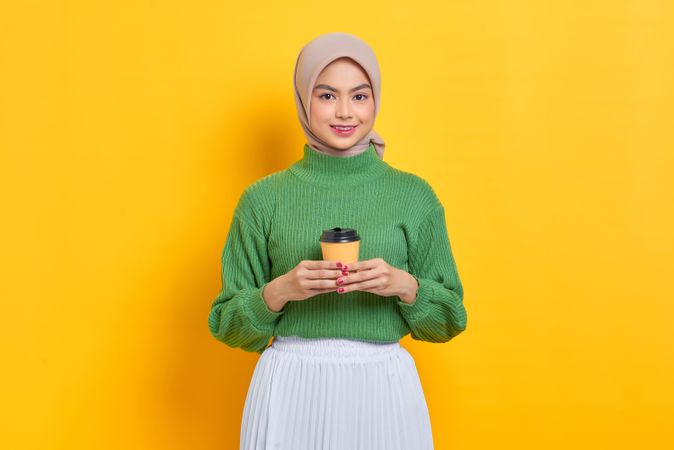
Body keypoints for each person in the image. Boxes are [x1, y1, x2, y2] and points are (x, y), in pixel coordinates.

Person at [208, 31, 468, 450]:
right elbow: (228, 325)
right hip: (290, 387)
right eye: (327, 96)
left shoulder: (414, 196)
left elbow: (450, 320)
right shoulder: (263, 200)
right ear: (303, 99)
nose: (345, 112)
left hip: (384, 388)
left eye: (359, 96)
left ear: (376, 100)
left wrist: (405, 286)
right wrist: (281, 291)